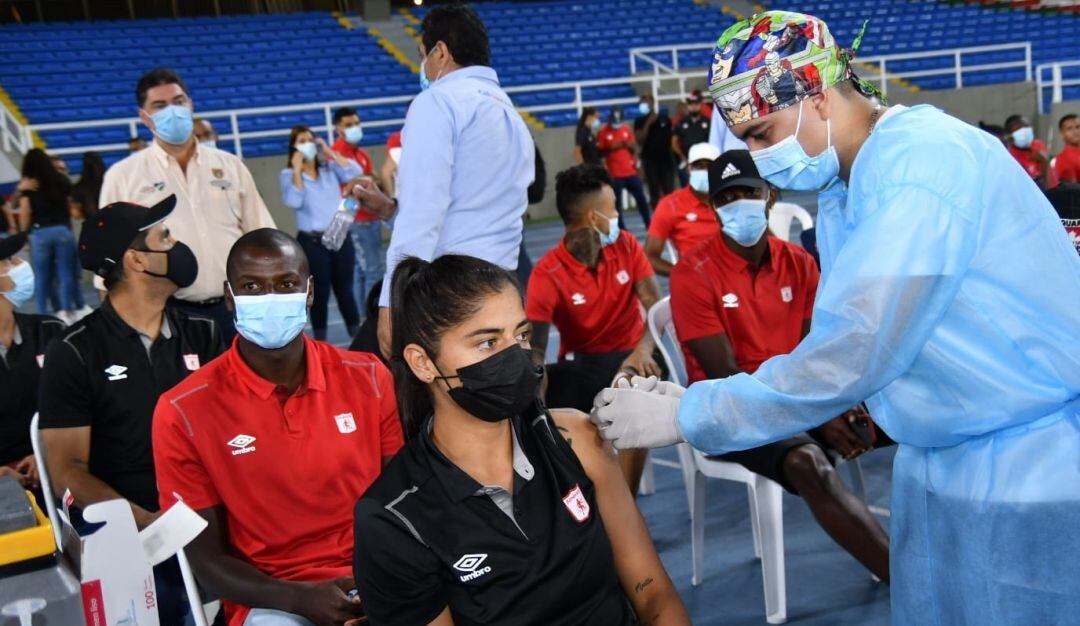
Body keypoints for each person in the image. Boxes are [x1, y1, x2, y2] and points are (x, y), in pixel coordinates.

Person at [591, 11, 1080, 625]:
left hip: (1023, 467)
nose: (758, 157)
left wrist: (690, 412)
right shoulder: (848, 186)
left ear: (817, 96)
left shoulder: (921, 167)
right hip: (943, 457)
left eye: (763, 133)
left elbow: (856, 346)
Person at [353, 254, 689, 626]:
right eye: (487, 343)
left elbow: (653, 593)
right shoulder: (394, 518)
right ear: (422, 362)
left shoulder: (575, 439)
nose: (516, 356)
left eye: (522, 335)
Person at [153, 228, 403, 626]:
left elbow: (402, 502)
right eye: (252, 286)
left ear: (308, 292)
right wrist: (299, 598)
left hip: (380, 578)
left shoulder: (369, 376)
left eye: (285, 283)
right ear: (230, 298)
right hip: (274, 598)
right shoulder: (182, 411)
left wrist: (383, 587)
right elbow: (207, 561)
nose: (269, 298)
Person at [672, 149, 890, 580]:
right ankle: (906, 582)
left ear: (770, 195)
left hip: (801, 399)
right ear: (713, 207)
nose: (739, 204)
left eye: (749, 192)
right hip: (729, 410)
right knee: (807, 463)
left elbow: (819, 349)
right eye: (727, 197)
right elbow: (727, 376)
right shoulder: (692, 273)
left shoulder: (800, 262)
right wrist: (815, 416)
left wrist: (835, 406)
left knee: (907, 415)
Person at [38, 196, 223, 625]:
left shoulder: (205, 333)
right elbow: (67, 469)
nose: (177, 244)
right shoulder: (75, 351)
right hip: (133, 528)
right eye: (165, 237)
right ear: (137, 260)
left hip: (210, 510)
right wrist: (147, 522)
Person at [351, 3, 534, 359]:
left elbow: (424, 210)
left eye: (423, 56)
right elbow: (470, 207)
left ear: (440, 52)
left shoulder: (437, 102)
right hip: (500, 285)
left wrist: (390, 301)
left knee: (367, 380)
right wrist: (389, 210)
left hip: (448, 290)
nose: (423, 67)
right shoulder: (508, 112)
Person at [100, 67, 276, 341]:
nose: (172, 110)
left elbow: (261, 235)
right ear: (144, 117)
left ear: (190, 105)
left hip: (236, 309)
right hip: (166, 313)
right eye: (159, 105)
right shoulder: (123, 177)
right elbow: (107, 264)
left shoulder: (230, 166)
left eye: (178, 101)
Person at [526, 164, 662, 492]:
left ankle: (626, 505)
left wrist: (642, 349)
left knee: (633, 392)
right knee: (538, 401)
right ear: (592, 218)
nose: (616, 215)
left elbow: (655, 309)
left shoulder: (627, 246)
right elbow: (537, 348)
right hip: (584, 364)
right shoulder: (548, 272)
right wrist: (535, 388)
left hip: (635, 355)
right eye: (612, 208)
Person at [280, 125, 362, 341]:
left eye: (310, 139)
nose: (307, 144)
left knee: (345, 291)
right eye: (301, 141)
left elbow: (355, 171)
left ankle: (358, 340)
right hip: (312, 241)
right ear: (294, 147)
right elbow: (293, 200)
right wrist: (297, 169)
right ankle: (320, 342)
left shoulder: (329, 168)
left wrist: (328, 150)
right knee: (320, 295)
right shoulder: (287, 174)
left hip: (338, 234)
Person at [0, 232, 65, 491]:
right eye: (9, 260)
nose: (21, 265)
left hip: (61, 465)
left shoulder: (51, 331)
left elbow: (86, 404)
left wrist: (48, 453)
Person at [331, 107, 386, 310]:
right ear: (338, 129)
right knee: (371, 269)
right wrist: (368, 178)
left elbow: (374, 179)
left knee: (364, 270)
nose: (354, 128)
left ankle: (364, 314)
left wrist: (367, 179)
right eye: (348, 125)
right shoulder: (336, 155)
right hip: (356, 219)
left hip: (370, 217)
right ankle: (371, 315)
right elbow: (359, 182)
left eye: (356, 123)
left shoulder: (361, 154)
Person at [17, 148, 79, 323]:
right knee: (66, 274)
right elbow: (70, 205)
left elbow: (24, 211)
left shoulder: (30, 185)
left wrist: (23, 233)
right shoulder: (61, 180)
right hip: (63, 230)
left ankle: (43, 313)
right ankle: (68, 312)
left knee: (42, 276)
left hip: (40, 233)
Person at [644, 142, 721, 275]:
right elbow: (650, 256)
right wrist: (683, 275)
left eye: (710, 166)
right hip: (696, 282)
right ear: (689, 169)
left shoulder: (734, 198)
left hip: (735, 277)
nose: (704, 171)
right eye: (698, 166)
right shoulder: (671, 205)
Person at [597, 109, 651, 228]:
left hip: (630, 171)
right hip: (615, 173)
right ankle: (621, 229)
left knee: (641, 198)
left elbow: (634, 149)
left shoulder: (626, 129)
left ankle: (649, 223)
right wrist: (611, 148)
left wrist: (637, 164)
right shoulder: (603, 132)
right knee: (617, 204)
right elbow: (599, 152)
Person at [634, 94, 675, 208]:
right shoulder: (639, 121)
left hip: (666, 161)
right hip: (650, 161)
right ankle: (657, 217)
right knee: (654, 192)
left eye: (645, 102)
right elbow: (639, 140)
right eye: (641, 103)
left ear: (652, 102)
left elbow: (671, 140)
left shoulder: (665, 119)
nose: (643, 105)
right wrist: (648, 124)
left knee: (669, 191)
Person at [672, 95, 711, 187]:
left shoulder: (708, 122)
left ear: (700, 104)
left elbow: (713, 141)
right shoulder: (681, 123)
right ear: (687, 105)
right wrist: (683, 158)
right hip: (687, 162)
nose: (693, 106)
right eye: (690, 104)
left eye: (696, 104)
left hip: (705, 162)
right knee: (687, 189)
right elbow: (674, 143)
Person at [1004, 113, 1049, 188]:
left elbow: (1048, 180)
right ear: (1009, 137)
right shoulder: (1009, 156)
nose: (1024, 132)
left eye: (1026, 126)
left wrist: (1044, 161)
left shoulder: (1038, 145)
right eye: (1018, 129)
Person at [70, 151, 105, 219]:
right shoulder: (110, 183)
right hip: (113, 223)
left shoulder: (79, 187)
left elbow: (76, 215)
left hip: (91, 224)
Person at [1051, 113, 1080, 186]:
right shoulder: (1063, 158)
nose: (1075, 132)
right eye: (1069, 128)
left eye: (1078, 127)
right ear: (1062, 133)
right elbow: (1072, 191)